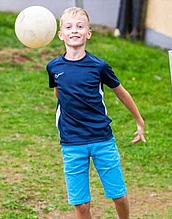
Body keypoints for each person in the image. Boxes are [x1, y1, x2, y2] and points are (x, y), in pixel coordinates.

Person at [46, 7, 146, 219]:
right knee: (81, 206)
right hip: (72, 143)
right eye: (69, 27)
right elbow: (58, 92)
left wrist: (139, 120)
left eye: (80, 27)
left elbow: (122, 93)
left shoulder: (99, 66)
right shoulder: (53, 67)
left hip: (102, 139)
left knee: (118, 196)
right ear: (61, 34)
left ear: (88, 33)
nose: (75, 31)